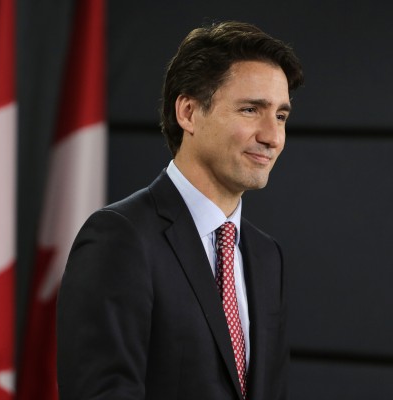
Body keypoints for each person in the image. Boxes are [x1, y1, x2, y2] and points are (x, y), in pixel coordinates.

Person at [56, 21, 304, 400]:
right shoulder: (120, 237)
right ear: (188, 112)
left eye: (281, 116)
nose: (272, 136)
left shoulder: (268, 256)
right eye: (251, 109)